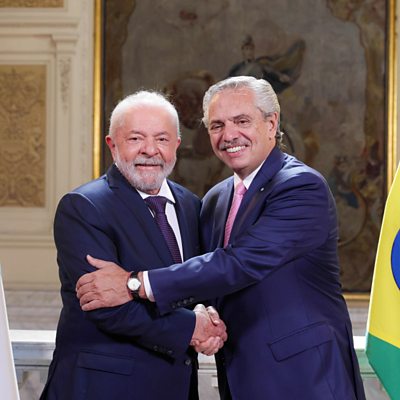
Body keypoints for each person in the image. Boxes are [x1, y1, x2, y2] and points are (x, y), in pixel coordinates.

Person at [76, 77, 366, 400]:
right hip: (240, 381)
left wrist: (134, 283)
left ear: (272, 124)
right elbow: (208, 279)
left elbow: (240, 263)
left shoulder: (301, 187)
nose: (229, 135)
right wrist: (201, 319)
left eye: (242, 121)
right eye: (217, 125)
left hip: (306, 381)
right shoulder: (216, 199)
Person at [40, 91, 227, 400]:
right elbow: (106, 308)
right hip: (102, 388)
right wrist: (193, 328)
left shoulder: (191, 205)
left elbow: (195, 283)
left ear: (176, 146)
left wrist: (208, 316)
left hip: (175, 387)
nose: (150, 150)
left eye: (162, 139)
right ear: (112, 144)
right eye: (135, 138)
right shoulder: (83, 207)